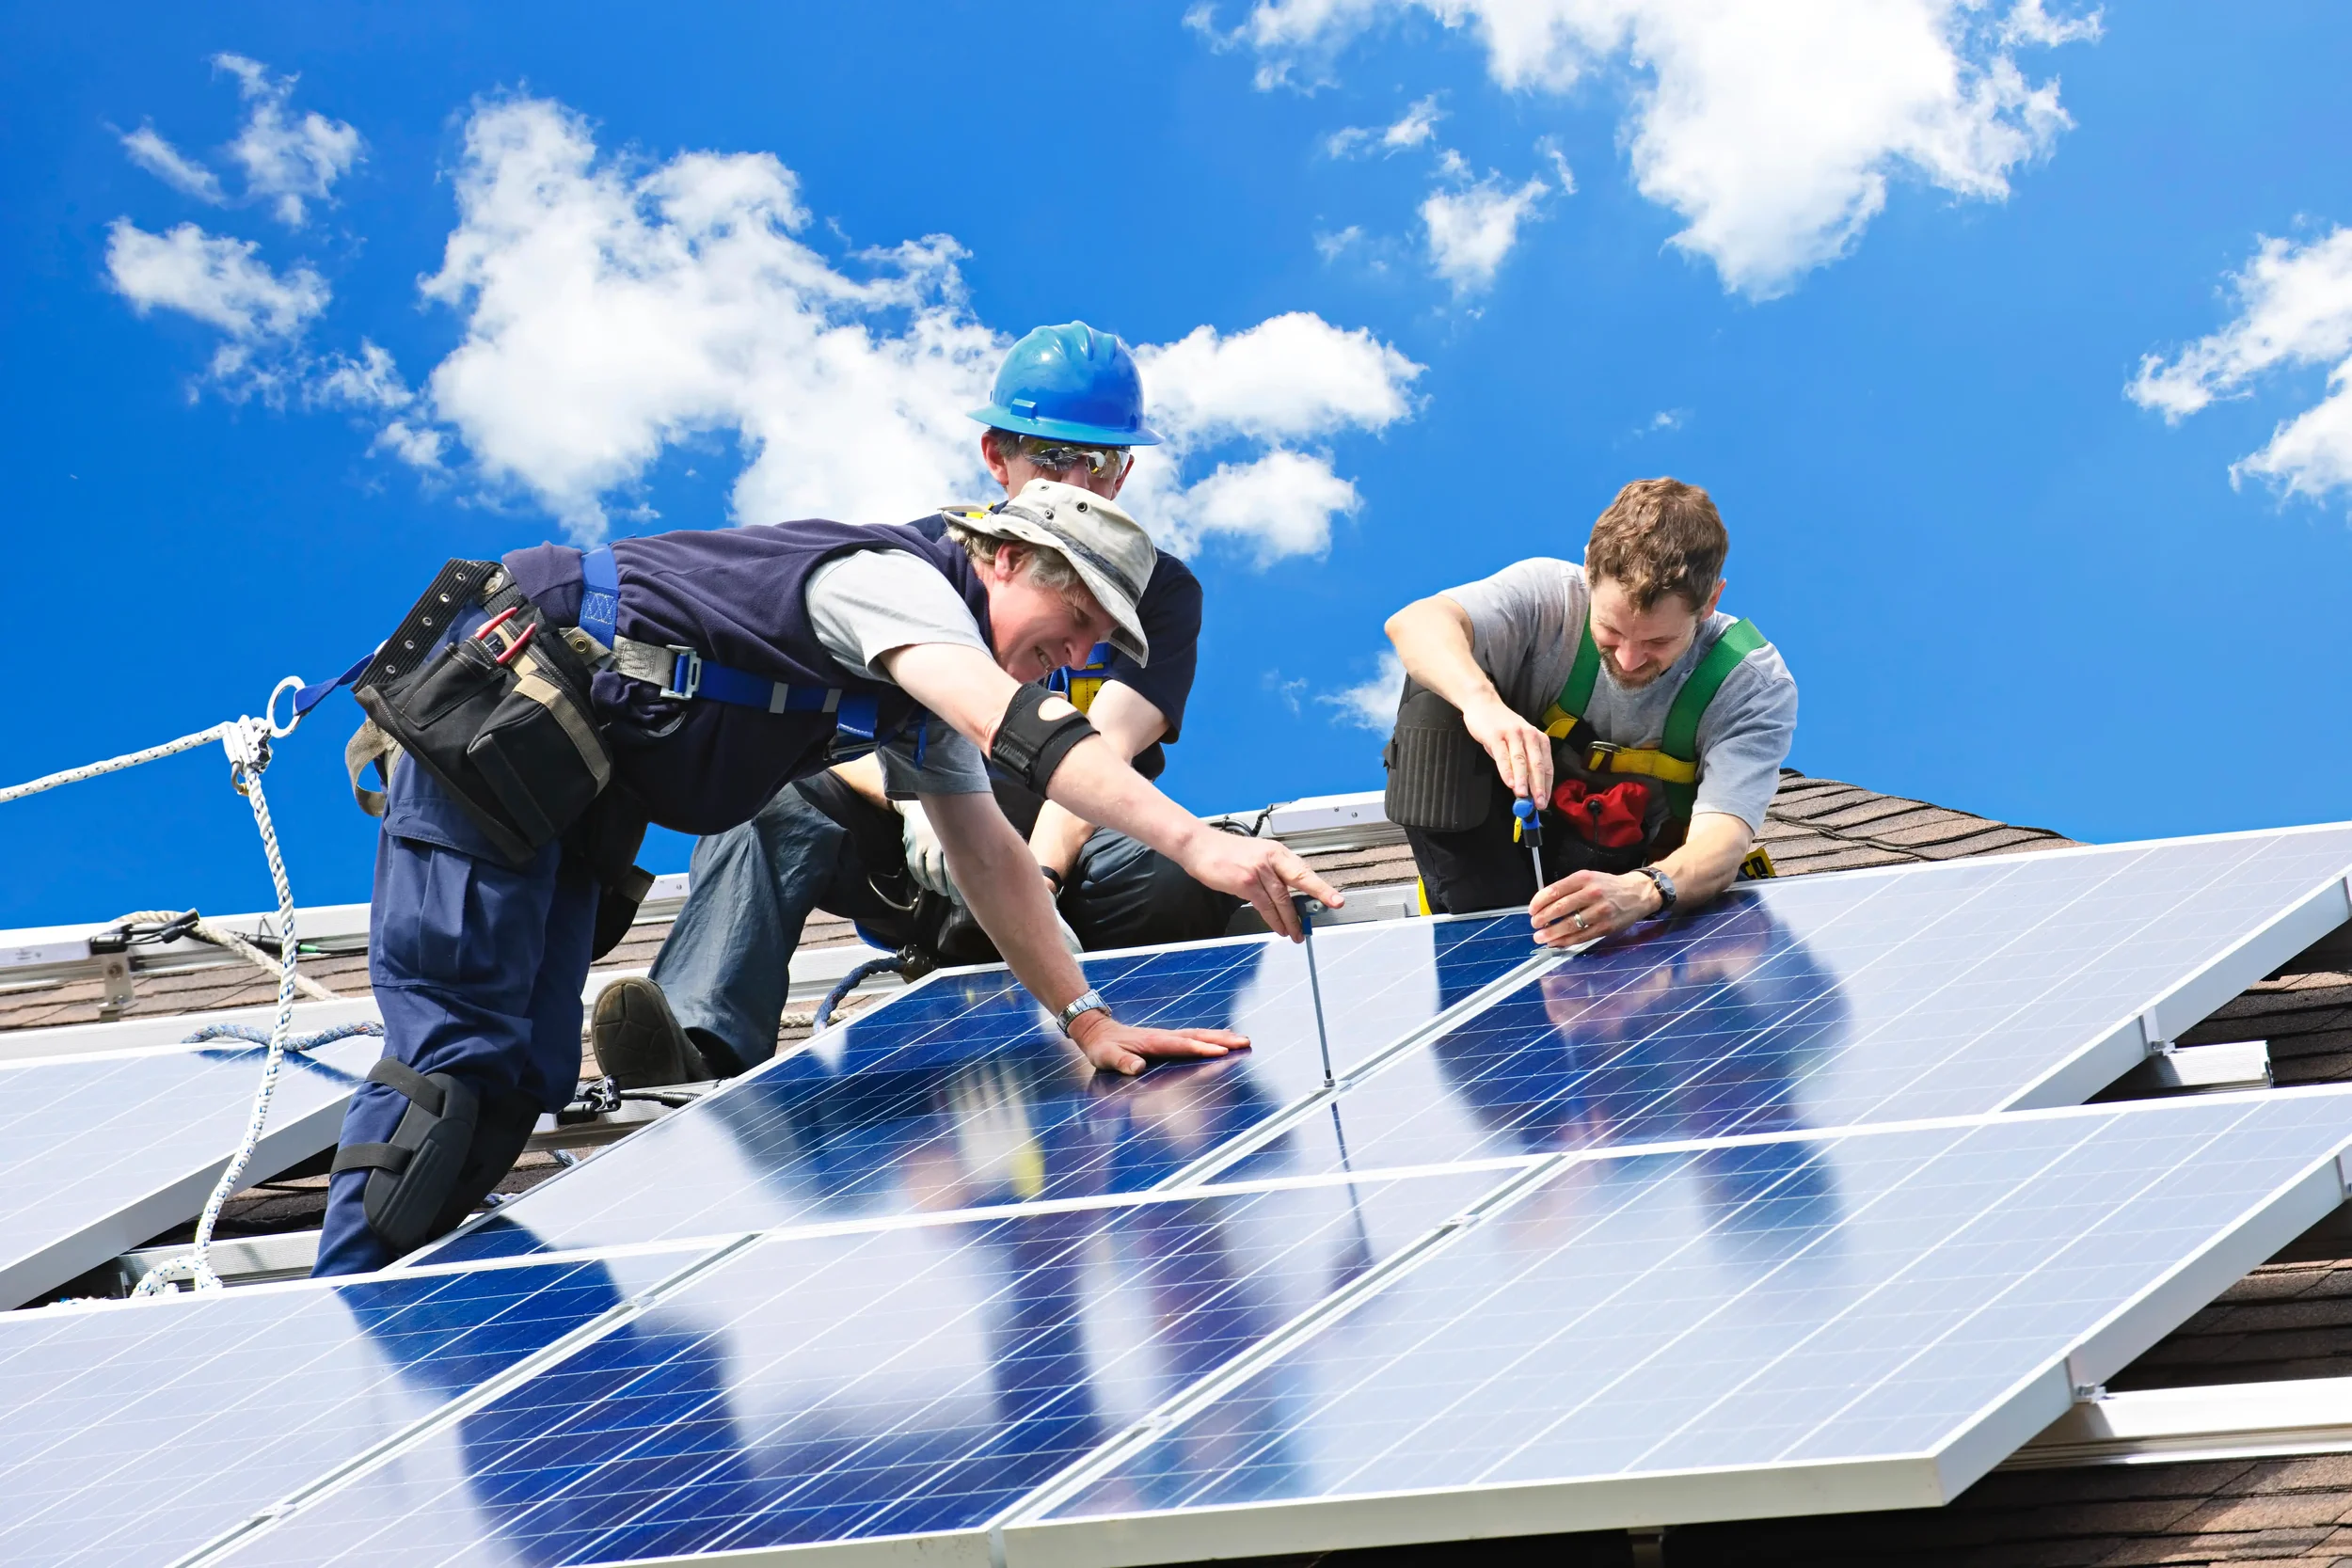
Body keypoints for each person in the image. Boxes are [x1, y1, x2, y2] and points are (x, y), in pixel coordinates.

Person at [314, 469, 1339, 1277]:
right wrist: (1198, 843)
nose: (1065, 659)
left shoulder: (916, 693)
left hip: (561, 786)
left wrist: (1086, 1018)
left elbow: (987, 852)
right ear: (1006, 556)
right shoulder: (891, 586)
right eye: (1069, 629)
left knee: (527, 1072)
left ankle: (406, 1320)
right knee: (457, 1059)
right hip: (494, 720)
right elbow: (1010, 723)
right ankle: (344, 1319)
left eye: (1087, 650)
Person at [596, 322, 1236, 1089]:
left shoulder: (1153, 594)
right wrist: (913, 804)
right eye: (1053, 456)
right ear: (997, 458)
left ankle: (1136, 1030)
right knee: (769, 799)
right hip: (920, 852)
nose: (1076, 480)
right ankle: (699, 1044)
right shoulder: (925, 564)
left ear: (1122, 473)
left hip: (1061, 852)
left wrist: (1038, 873)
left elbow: (1103, 748)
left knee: (1182, 870)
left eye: (1096, 461)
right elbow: (847, 717)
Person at [1380, 476, 1795, 947]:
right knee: (1436, 693)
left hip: (1625, 880)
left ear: (1712, 601)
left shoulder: (1749, 682)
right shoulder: (1546, 598)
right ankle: (1483, 932)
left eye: (1659, 641)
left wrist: (1644, 890)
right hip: (1487, 866)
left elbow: (1722, 839)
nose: (1628, 660)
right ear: (1587, 572)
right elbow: (1415, 622)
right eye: (1611, 631)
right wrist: (1482, 705)